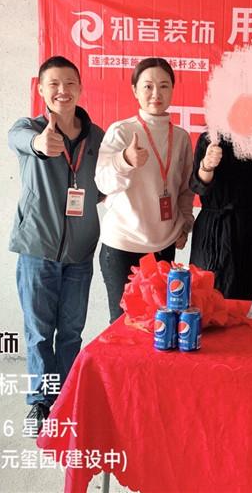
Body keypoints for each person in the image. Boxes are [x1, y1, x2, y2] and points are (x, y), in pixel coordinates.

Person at [8, 56, 104, 436]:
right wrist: (37, 143)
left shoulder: (96, 137)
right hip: (37, 249)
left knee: (71, 332)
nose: (62, 90)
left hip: (80, 253)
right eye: (54, 84)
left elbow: (105, 182)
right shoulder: (29, 129)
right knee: (38, 332)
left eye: (69, 83)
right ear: (41, 89)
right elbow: (17, 140)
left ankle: (66, 398)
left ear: (80, 88)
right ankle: (40, 403)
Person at [95, 58, 194, 323]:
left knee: (159, 322)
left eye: (164, 86)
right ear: (135, 90)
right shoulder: (122, 131)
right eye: (148, 86)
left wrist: (185, 224)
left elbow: (185, 188)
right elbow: (103, 183)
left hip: (163, 246)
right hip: (123, 245)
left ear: (172, 89)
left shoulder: (181, 137)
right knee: (124, 325)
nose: (156, 94)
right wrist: (124, 160)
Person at [189, 133, 252, 300]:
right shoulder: (210, 139)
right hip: (213, 229)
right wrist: (207, 166)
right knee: (205, 295)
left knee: (244, 294)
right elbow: (198, 187)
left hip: (246, 229)